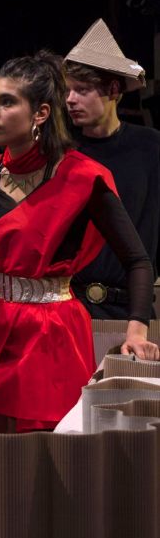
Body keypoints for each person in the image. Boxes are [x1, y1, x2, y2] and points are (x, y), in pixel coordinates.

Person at [0, 51, 160, 433]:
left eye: (6, 102)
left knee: (42, 454)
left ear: (41, 113)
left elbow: (138, 260)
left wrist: (137, 330)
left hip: (47, 337)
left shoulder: (82, 178)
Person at [63, 19, 160, 319]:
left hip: (131, 311)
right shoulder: (64, 153)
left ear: (114, 89)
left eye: (82, 90)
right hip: (70, 308)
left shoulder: (151, 147)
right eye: (68, 91)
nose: (70, 100)